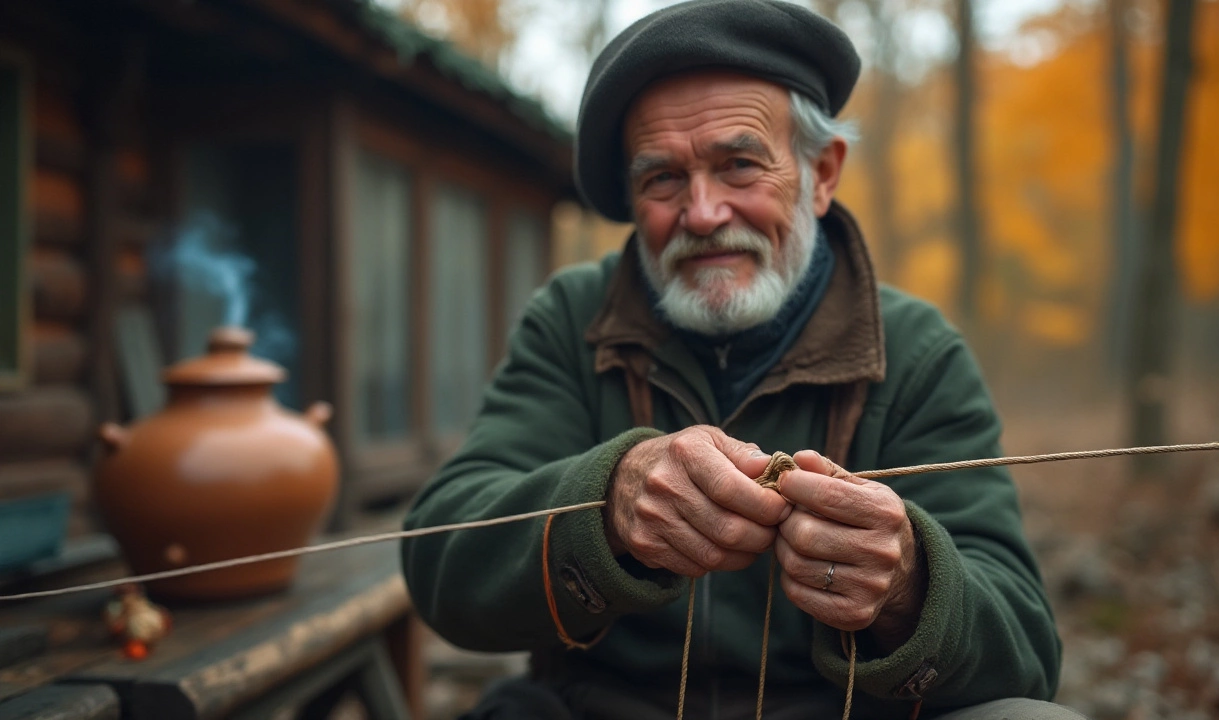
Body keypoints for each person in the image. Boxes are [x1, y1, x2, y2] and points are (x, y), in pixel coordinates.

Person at [402, 1, 1077, 718]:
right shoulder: (573, 321)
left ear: (822, 173)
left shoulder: (915, 351)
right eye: (662, 179)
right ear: (633, 200)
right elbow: (441, 560)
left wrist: (909, 586)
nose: (701, 213)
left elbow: (1027, 655)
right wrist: (606, 504)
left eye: (739, 165)